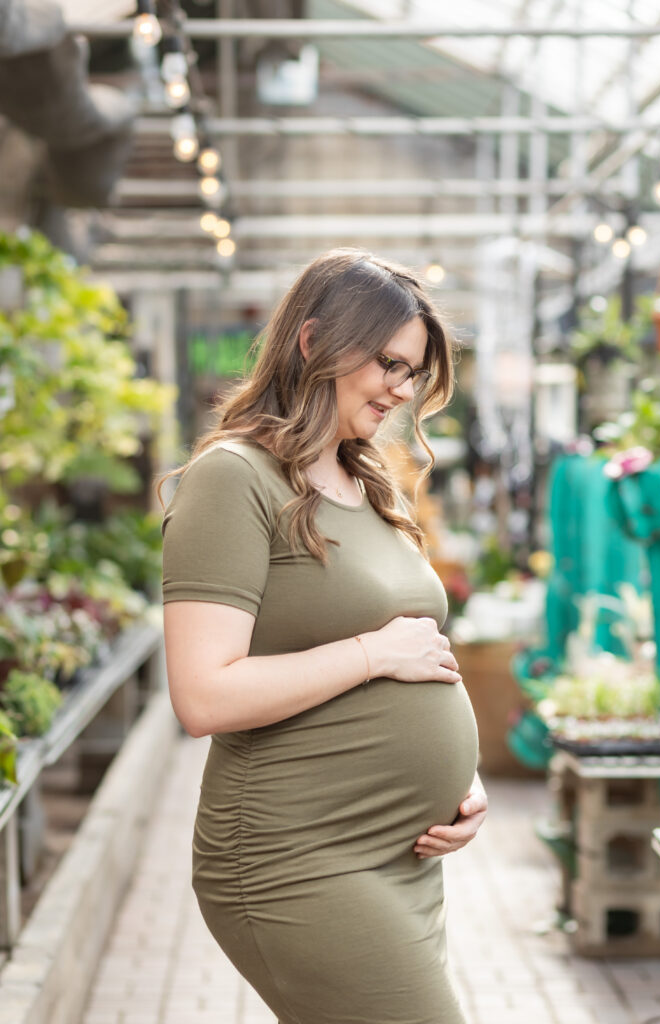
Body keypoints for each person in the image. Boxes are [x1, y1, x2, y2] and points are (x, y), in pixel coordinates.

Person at [161, 248, 487, 1024]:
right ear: (311, 343)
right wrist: (373, 655)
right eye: (387, 364)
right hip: (295, 857)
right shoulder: (234, 478)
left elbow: (419, 647)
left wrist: (458, 783)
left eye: (412, 372)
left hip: (397, 860)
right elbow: (202, 694)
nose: (402, 390)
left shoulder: (365, 479)